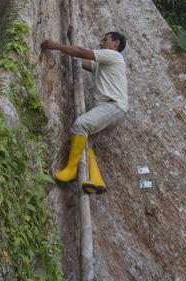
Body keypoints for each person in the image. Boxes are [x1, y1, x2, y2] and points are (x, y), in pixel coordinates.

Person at [41, 30, 128, 194]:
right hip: (112, 110)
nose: (101, 43)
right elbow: (81, 60)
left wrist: (56, 45)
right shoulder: (104, 63)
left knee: (81, 125)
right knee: (87, 145)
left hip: (113, 106)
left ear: (116, 44)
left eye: (105, 39)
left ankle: (71, 169)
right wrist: (69, 40)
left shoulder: (113, 55)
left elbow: (82, 52)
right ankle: (96, 180)